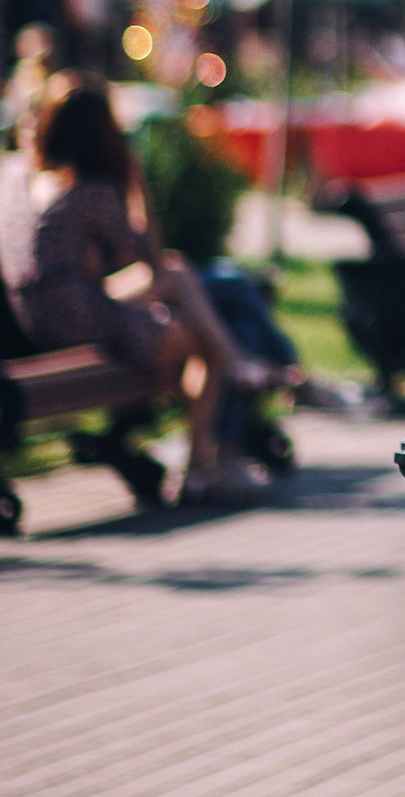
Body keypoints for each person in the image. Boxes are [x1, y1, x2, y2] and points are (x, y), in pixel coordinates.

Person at [0, 77, 268, 507]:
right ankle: (201, 464)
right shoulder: (90, 192)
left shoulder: (12, 175)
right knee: (203, 344)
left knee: (181, 278)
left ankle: (231, 381)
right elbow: (146, 255)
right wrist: (134, 177)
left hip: (33, 315)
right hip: (75, 320)